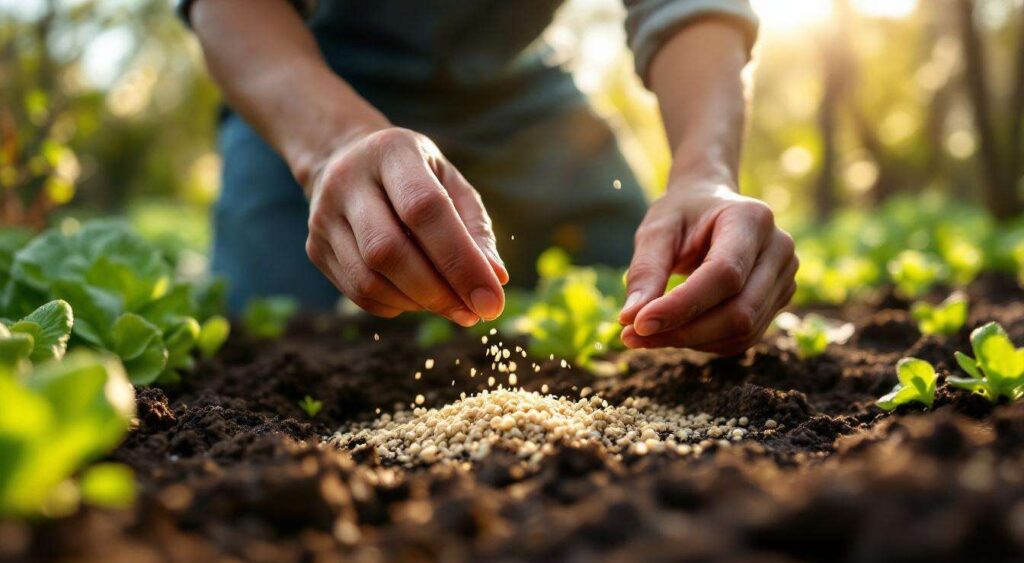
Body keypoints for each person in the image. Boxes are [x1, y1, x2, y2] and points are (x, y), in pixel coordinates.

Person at [180, 0, 798, 355]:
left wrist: (704, 171)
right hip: (312, 83)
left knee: (650, 298)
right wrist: (331, 145)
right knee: (280, 329)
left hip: (523, 95)